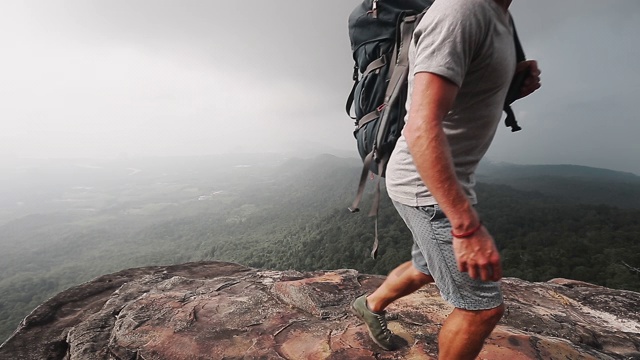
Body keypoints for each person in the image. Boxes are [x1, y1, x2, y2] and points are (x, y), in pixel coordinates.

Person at [351, 0, 541, 358]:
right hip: (425, 185)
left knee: (426, 267)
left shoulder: (498, 16)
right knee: (481, 309)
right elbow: (422, 124)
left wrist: (511, 89)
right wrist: (465, 227)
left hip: (444, 181)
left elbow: (463, 101)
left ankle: (371, 304)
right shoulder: (462, 11)